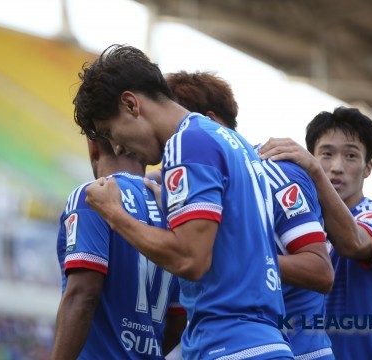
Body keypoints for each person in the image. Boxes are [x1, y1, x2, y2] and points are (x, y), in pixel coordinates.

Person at [74, 44, 294, 359]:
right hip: (261, 339)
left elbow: (190, 260)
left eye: (111, 132)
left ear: (131, 104)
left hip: (229, 346)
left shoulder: (185, 142)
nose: (119, 147)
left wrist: (114, 213)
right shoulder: (230, 141)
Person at [166, 71, 335, 360]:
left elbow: (320, 270)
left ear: (210, 122)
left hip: (299, 350)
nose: (171, 146)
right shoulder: (191, 185)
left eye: (175, 127)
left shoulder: (277, 170)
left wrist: (236, 257)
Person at [259, 107, 372, 360]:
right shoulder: (294, 222)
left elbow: (353, 243)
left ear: (367, 167)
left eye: (350, 156)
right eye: (326, 154)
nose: (336, 167)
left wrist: (315, 173)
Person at [52, 136, 186, 359]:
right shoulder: (170, 212)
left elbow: (82, 296)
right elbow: (178, 322)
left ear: (93, 146)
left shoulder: (93, 196)